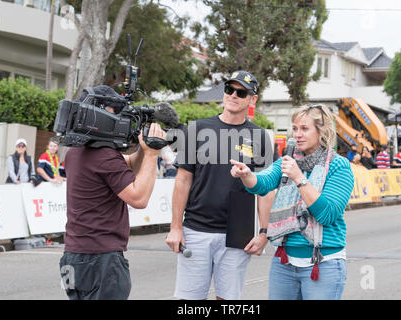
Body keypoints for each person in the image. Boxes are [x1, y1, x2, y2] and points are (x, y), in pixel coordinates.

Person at [165, 70, 274, 300]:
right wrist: (176, 226)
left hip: (238, 234)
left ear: (252, 99)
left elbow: (266, 190)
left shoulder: (260, 137)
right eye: (229, 89)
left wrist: (264, 232)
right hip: (196, 229)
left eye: (241, 92)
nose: (233, 95)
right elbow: (183, 181)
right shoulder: (196, 129)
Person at [230, 104, 354, 300]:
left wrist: (299, 178)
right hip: (285, 263)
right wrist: (246, 175)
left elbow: (327, 213)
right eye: (295, 128)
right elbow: (262, 183)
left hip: (323, 263)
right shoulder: (288, 161)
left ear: (321, 132)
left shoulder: (339, 166)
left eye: (304, 129)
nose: (297, 134)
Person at [59, 85, 166, 300]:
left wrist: (143, 151)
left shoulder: (76, 151)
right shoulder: (103, 155)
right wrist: (153, 155)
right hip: (101, 260)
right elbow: (139, 198)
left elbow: (123, 166)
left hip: (73, 256)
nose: (119, 118)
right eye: (114, 111)